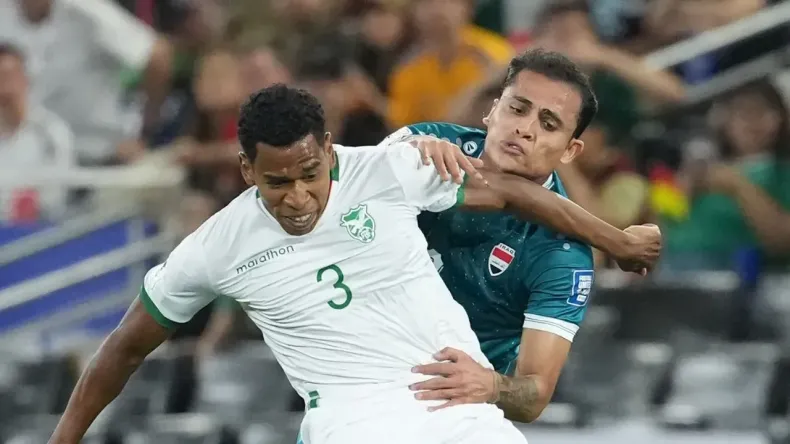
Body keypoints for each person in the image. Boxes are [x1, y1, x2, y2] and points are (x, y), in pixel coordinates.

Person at [48, 84, 658, 444]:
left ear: (328, 150)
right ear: (246, 170)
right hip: (355, 423)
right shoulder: (215, 246)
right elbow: (124, 348)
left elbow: (511, 191)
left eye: (310, 174)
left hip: (461, 414)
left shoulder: (389, 169)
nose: (298, 197)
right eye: (277, 182)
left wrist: (617, 242)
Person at [379, 49, 661, 422]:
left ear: (570, 150)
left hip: (449, 412)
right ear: (492, 111)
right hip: (361, 371)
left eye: (549, 124)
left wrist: (492, 385)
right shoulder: (427, 141)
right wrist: (617, 241)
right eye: (517, 109)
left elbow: (534, 396)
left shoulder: (561, 256)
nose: (525, 129)